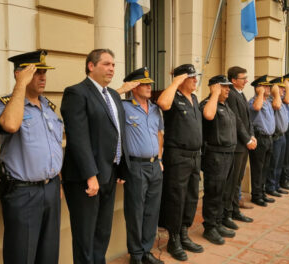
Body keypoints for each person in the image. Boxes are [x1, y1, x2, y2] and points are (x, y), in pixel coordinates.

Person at [0, 50, 63, 264]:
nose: (42, 77)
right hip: (23, 192)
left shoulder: (49, 108)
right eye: (36, 72)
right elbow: (11, 125)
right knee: (21, 254)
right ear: (19, 74)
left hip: (50, 188)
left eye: (44, 72)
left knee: (49, 254)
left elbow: (54, 146)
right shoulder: (4, 104)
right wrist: (20, 86)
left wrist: (57, 181)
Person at [60, 49, 129, 264]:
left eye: (114, 65)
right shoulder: (76, 93)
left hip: (109, 175)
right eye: (107, 64)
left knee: (102, 234)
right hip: (86, 179)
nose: (112, 68)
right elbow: (78, 138)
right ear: (91, 66)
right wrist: (91, 175)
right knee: (85, 237)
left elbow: (118, 132)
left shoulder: (114, 95)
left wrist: (121, 168)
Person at [157, 64, 203, 261]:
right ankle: (173, 239)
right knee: (176, 199)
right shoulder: (172, 97)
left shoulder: (194, 98)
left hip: (194, 156)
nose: (195, 80)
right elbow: (162, 104)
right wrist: (175, 81)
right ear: (181, 79)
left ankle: (184, 233)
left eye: (195, 76)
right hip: (178, 155)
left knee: (192, 196)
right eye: (191, 77)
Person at [119, 67, 164, 264]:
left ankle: (146, 251)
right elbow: (105, 104)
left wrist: (160, 160)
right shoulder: (123, 106)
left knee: (151, 211)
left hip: (155, 166)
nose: (148, 87)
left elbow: (159, 135)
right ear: (134, 87)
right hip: (135, 167)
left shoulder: (155, 109)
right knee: (135, 212)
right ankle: (136, 255)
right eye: (143, 84)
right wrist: (122, 88)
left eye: (149, 84)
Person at [200, 75, 237, 245]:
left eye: (229, 86)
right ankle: (209, 227)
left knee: (223, 191)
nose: (228, 89)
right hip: (215, 155)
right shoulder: (208, 104)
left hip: (228, 154)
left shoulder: (226, 105)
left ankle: (218, 222)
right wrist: (214, 95)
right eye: (224, 86)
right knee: (213, 192)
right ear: (214, 88)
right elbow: (208, 115)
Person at [224, 66, 255, 229]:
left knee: (238, 180)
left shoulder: (240, 94)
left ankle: (235, 210)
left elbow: (247, 120)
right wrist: (247, 138)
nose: (246, 81)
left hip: (243, 144)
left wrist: (252, 135)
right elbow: (236, 120)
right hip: (237, 145)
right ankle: (228, 213)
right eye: (243, 78)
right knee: (232, 181)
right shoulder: (231, 95)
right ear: (234, 80)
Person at [248, 75, 276, 207]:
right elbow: (257, 108)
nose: (268, 88)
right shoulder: (254, 101)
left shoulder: (268, 102)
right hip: (259, 138)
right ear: (258, 88)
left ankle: (262, 192)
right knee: (257, 168)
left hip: (269, 138)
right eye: (265, 86)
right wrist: (259, 94)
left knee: (265, 168)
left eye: (268, 86)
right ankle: (256, 195)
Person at [265, 77, 289, 197]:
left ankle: (276, 185)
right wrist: (275, 93)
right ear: (274, 88)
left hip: (282, 136)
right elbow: (276, 106)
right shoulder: (272, 100)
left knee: (280, 163)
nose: (283, 89)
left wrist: (281, 92)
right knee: (273, 164)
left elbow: (288, 100)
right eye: (280, 87)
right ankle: (270, 186)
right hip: (275, 137)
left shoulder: (280, 99)